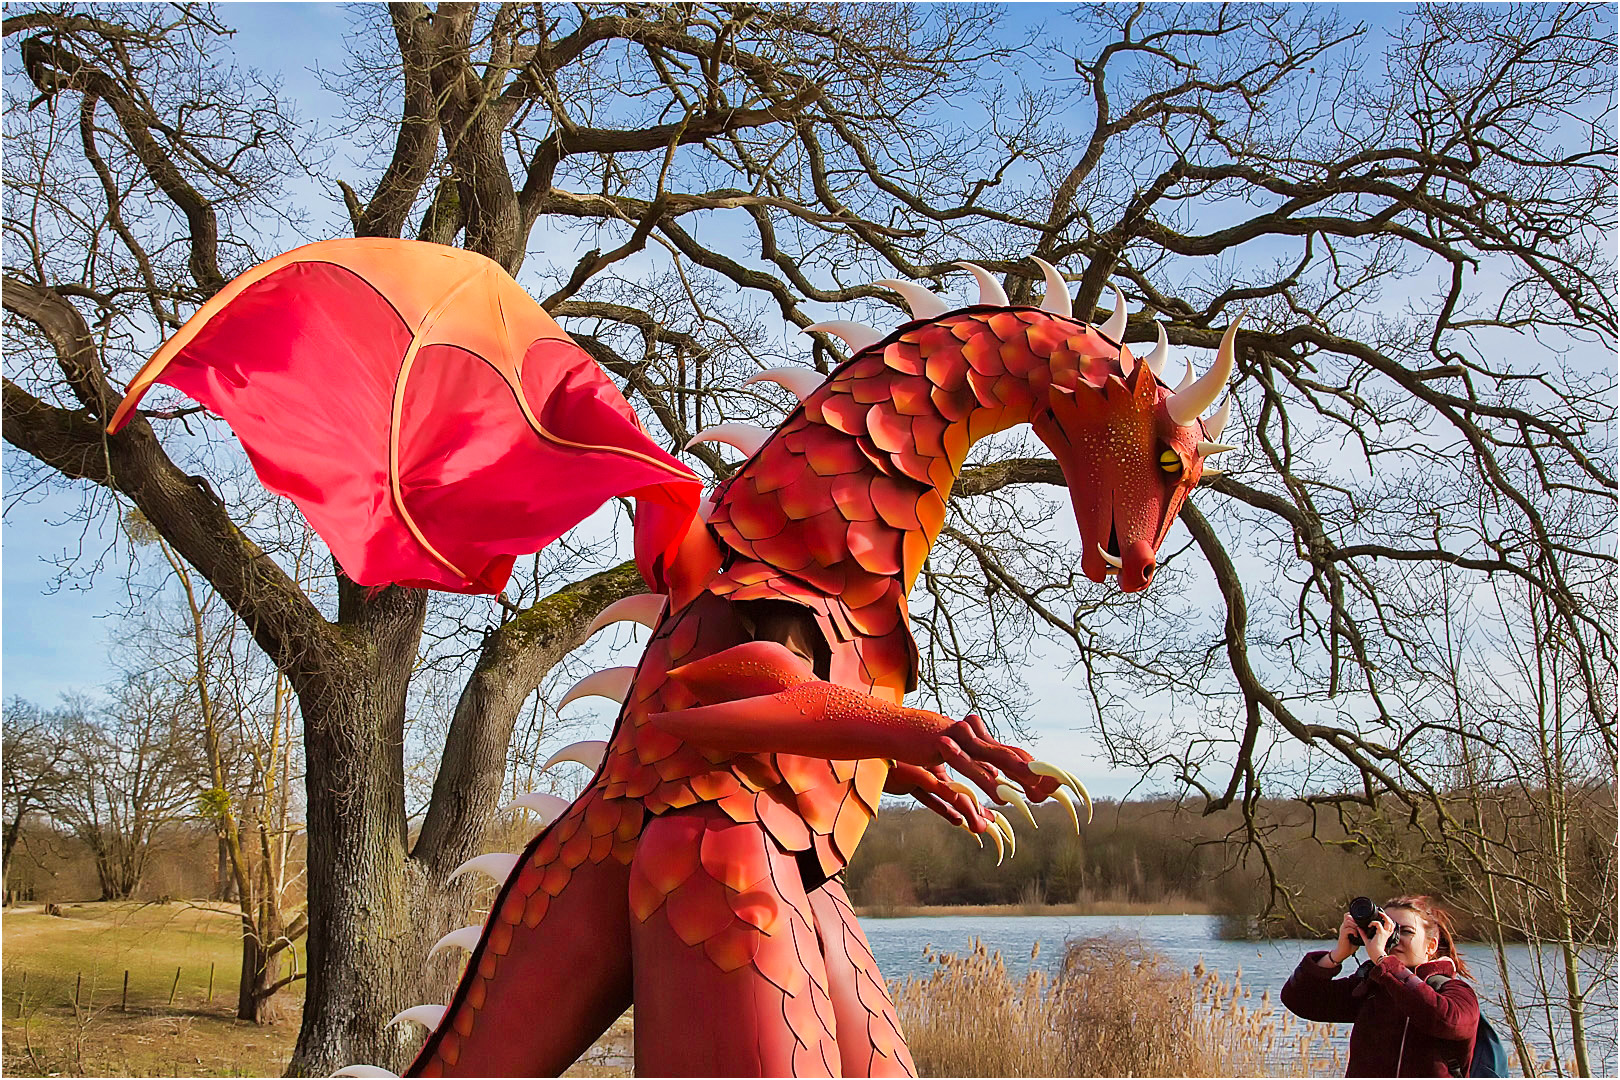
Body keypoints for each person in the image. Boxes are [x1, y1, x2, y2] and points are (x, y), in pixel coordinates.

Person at [1280, 895, 1480, 1077]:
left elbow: (1446, 1021)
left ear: (1431, 946)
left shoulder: (1453, 991)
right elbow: (1298, 999)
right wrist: (1337, 955)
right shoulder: (1371, 987)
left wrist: (1385, 964)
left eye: (1406, 931)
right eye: (1385, 928)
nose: (1393, 938)